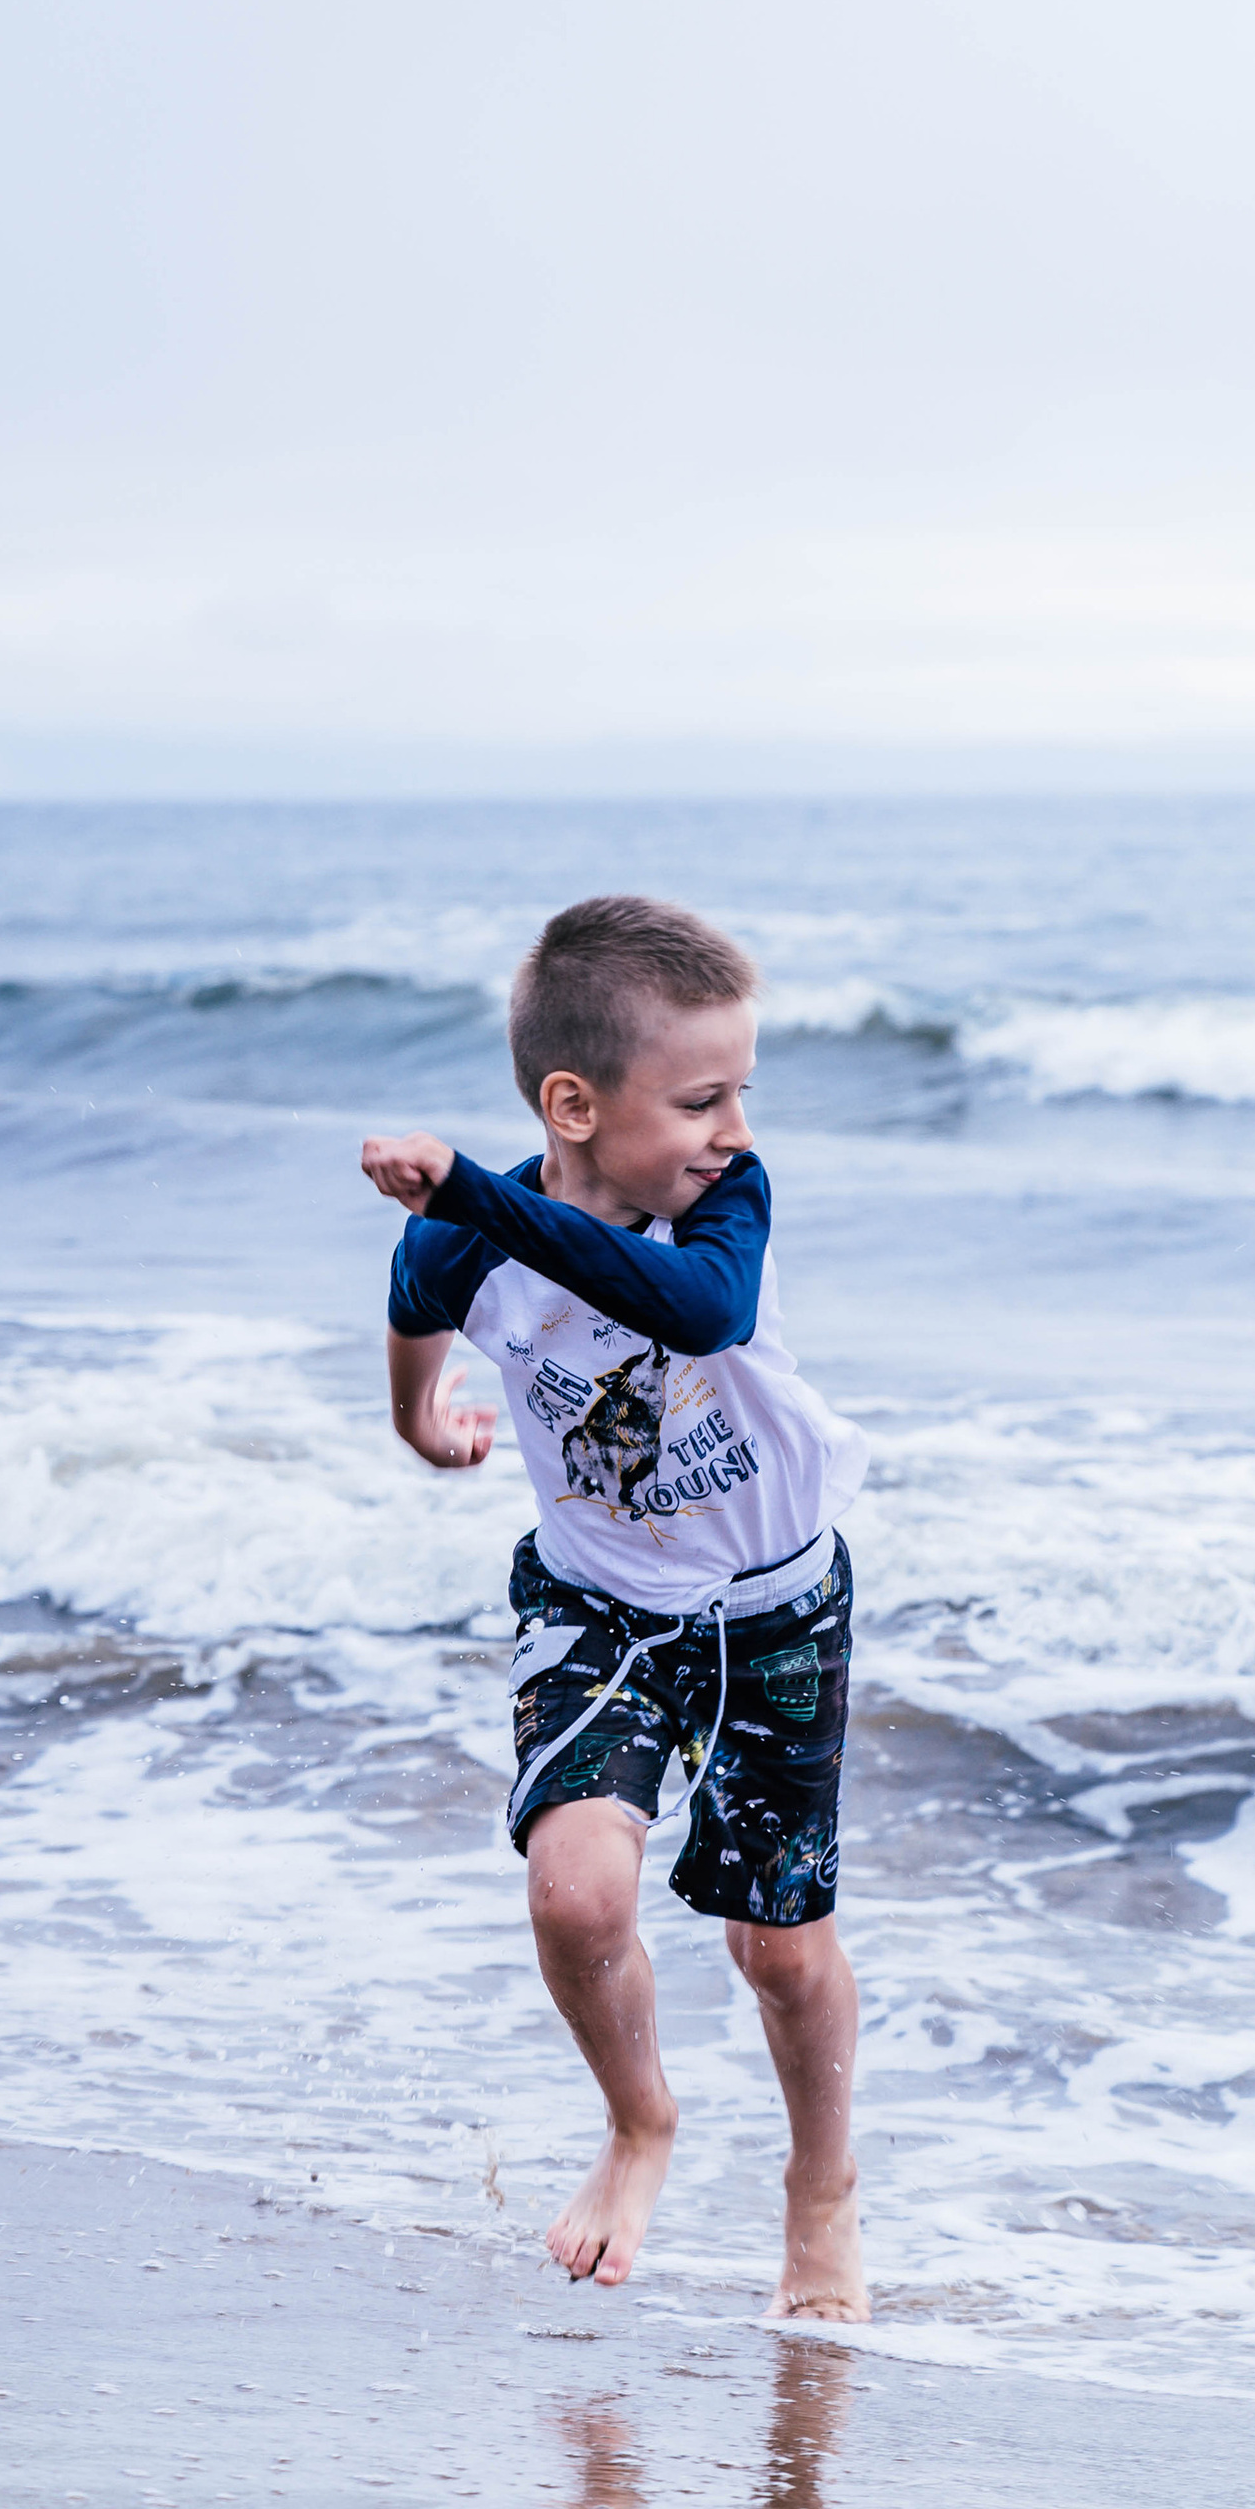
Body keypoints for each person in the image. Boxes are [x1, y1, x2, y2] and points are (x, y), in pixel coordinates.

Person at [361, 894, 868, 2321]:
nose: (733, 1130)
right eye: (700, 1098)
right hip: (602, 1607)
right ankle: (641, 2122)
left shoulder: (728, 1209)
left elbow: (690, 1314)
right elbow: (412, 1301)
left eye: (741, 1095)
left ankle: (820, 2190)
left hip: (777, 1605)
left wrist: (473, 1190)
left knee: (778, 1949)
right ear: (573, 1102)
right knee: (578, 1894)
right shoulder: (472, 1240)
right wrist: (419, 1423)